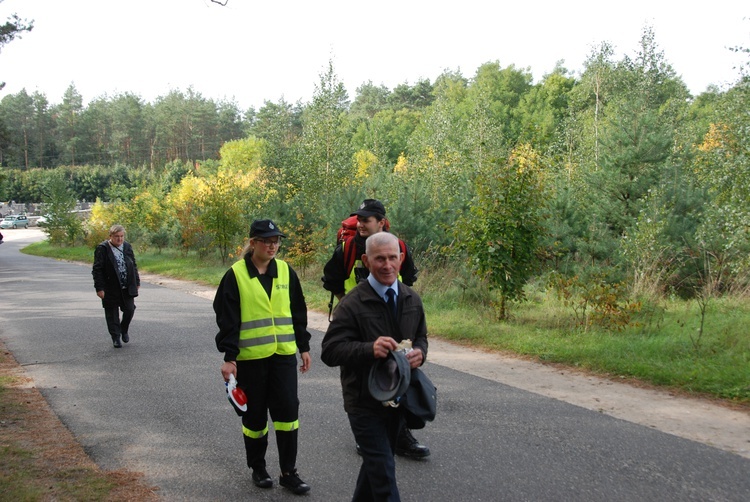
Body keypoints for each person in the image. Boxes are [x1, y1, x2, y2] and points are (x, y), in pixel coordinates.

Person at [321, 231, 429, 501]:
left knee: (375, 468)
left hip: (398, 400)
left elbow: (421, 337)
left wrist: (420, 354)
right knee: (383, 473)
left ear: (401, 258)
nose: (387, 265)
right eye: (379, 259)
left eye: (393, 258)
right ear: (366, 261)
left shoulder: (411, 298)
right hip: (363, 403)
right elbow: (330, 351)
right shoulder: (352, 303)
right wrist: (369, 349)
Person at [213, 219, 312, 496]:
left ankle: (289, 472)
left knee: (288, 413)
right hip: (251, 359)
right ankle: (258, 467)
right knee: (254, 417)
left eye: (276, 240)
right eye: (266, 240)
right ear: (253, 242)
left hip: (282, 357)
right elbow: (228, 320)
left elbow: (298, 312)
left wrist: (303, 347)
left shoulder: (285, 271)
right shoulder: (235, 275)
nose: (272, 245)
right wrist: (229, 357)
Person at [92, 224, 140, 349]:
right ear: (110, 237)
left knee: (129, 309)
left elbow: (133, 265)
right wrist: (99, 288)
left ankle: (123, 330)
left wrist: (137, 281)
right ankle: (116, 337)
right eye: (116, 236)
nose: (119, 239)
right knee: (112, 314)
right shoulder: (103, 249)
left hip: (126, 285)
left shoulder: (127, 247)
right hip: (110, 287)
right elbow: (97, 269)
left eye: (121, 236)